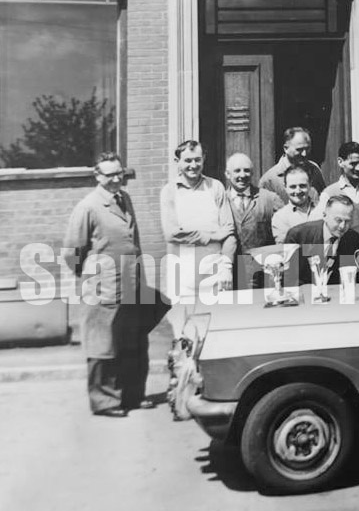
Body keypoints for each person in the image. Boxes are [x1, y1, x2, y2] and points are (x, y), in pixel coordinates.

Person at [64, 152, 157, 417]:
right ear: (97, 176)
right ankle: (105, 401)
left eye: (120, 173)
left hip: (131, 283)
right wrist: (95, 277)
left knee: (133, 343)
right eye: (110, 175)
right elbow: (73, 254)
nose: (117, 179)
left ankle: (132, 396)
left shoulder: (124, 199)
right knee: (102, 345)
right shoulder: (88, 207)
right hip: (103, 287)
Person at [160, 140, 236, 339]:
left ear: (204, 159)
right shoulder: (169, 192)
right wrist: (210, 236)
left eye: (197, 160)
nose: (193, 165)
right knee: (183, 336)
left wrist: (226, 267)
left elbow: (228, 232)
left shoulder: (216, 187)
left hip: (213, 274)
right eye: (187, 160)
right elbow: (172, 233)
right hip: (181, 276)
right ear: (177, 161)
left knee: (215, 334)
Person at [224, 152, 283, 288]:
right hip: (230, 274)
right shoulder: (220, 200)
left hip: (262, 274)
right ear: (228, 174)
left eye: (247, 171)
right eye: (237, 171)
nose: (242, 175)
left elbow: (282, 233)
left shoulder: (269, 198)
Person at [285, 195, 359, 285]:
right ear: (324, 215)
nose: (342, 226)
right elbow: (288, 278)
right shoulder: (298, 236)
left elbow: (355, 278)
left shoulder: (353, 239)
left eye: (347, 221)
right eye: (338, 220)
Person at [315, 141, 359, 238]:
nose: (358, 168)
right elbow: (319, 228)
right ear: (340, 162)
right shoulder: (329, 193)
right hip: (343, 250)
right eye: (353, 164)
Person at [259, 127, 327, 205]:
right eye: (299, 149)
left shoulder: (314, 169)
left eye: (307, 148)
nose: (304, 154)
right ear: (286, 148)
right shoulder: (270, 180)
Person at [272, 166, 320, 243]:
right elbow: (288, 250)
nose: (298, 191)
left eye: (302, 186)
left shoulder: (322, 210)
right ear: (285, 187)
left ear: (310, 185)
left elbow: (331, 245)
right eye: (293, 187)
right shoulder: (280, 217)